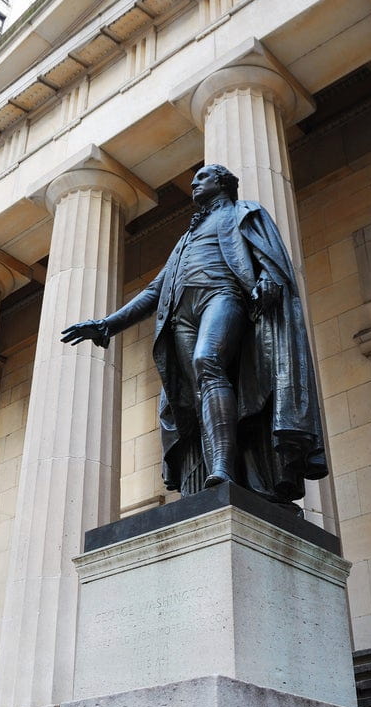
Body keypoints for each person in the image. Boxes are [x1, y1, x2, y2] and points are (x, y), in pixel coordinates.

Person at [61, 164, 327, 507]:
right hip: (180, 317)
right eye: (193, 179)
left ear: (223, 183)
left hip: (223, 294)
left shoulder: (244, 212)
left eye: (202, 177)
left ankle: (223, 467)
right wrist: (108, 324)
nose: (193, 182)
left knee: (208, 360)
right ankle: (213, 472)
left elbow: (271, 260)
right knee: (198, 393)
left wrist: (268, 280)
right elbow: (155, 289)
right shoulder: (186, 239)